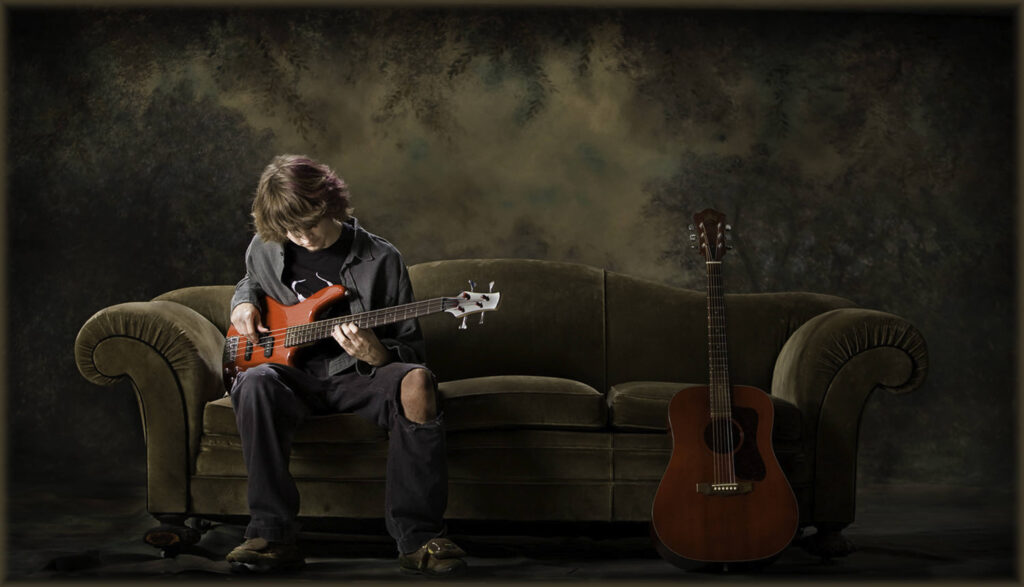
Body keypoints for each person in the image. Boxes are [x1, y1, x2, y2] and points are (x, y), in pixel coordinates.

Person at [223, 154, 466, 575]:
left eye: (310, 224)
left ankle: (420, 539)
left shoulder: (382, 258)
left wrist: (380, 355)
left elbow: (411, 347)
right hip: (290, 378)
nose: (302, 236)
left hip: (357, 377)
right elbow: (252, 281)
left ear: (331, 205)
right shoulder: (264, 248)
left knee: (418, 382)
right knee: (253, 381)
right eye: (290, 229)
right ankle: (271, 535)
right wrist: (242, 301)